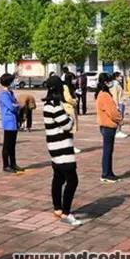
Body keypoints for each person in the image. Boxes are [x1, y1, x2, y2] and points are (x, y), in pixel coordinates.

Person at [43, 76, 81, 226]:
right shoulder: (55, 107)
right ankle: (66, 212)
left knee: (58, 178)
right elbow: (67, 125)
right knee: (72, 180)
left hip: (54, 147)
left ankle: (58, 208)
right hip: (62, 148)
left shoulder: (48, 105)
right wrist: (70, 117)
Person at [96, 73, 122, 183]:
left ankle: (109, 172)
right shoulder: (104, 95)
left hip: (105, 125)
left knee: (109, 150)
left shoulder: (102, 93)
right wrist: (119, 118)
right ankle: (105, 174)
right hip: (108, 125)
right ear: (106, 82)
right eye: (110, 81)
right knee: (107, 151)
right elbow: (112, 112)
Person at [0, 73, 23, 173]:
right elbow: (12, 107)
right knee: (7, 144)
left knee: (12, 144)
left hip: (14, 121)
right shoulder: (4, 94)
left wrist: (17, 105)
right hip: (8, 121)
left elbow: (17, 104)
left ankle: (13, 163)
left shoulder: (10, 93)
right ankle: (6, 165)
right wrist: (17, 106)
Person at [110, 72, 128, 139]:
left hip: (121, 102)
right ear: (116, 77)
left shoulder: (117, 84)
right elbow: (114, 95)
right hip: (119, 103)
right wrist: (116, 105)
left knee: (121, 117)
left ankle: (119, 131)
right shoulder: (115, 85)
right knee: (119, 118)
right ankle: (118, 131)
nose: (121, 78)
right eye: (120, 76)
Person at [62, 73, 79, 138]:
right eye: (72, 79)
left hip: (72, 107)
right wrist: (74, 101)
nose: (74, 80)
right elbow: (68, 98)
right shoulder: (65, 87)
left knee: (72, 129)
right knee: (69, 127)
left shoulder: (71, 87)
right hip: (68, 108)